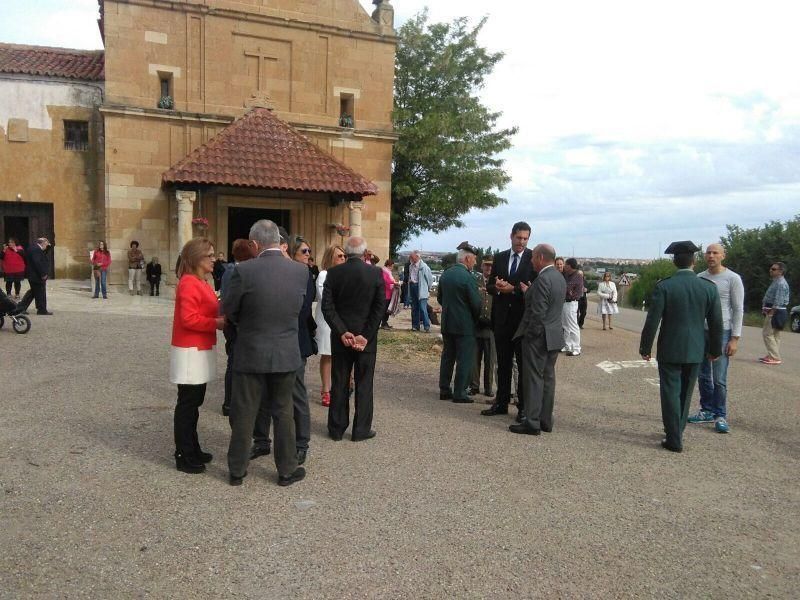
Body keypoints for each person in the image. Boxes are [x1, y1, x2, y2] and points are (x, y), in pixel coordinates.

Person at [223, 219, 308, 487]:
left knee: (245, 411)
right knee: (283, 413)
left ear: (254, 244)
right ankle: (286, 469)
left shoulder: (243, 271)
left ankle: (237, 470)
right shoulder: (299, 272)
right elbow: (297, 307)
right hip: (285, 352)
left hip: (250, 350)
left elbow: (230, 311)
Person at [639, 241, 722, 453]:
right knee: (686, 392)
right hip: (696, 349)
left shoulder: (664, 286)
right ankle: (678, 430)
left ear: (675, 262)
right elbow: (716, 323)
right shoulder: (708, 288)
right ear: (694, 261)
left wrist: (645, 347)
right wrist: (714, 350)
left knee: (669, 392)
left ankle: (673, 436)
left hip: (669, 348)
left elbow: (652, 321)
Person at [250, 235, 316, 466]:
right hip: (270, 341)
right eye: (304, 252)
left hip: (295, 341)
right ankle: (261, 440)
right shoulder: (272, 271)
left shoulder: (303, 275)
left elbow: (304, 309)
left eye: (309, 252)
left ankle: (301, 443)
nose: (308, 256)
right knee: (263, 393)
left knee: (296, 393)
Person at [321, 236, 385, 442]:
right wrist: (365, 335)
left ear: (346, 253)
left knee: (339, 381)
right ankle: (361, 429)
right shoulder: (375, 273)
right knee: (364, 383)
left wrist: (342, 331)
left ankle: (337, 428)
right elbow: (379, 308)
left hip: (342, 338)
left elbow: (327, 307)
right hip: (365, 339)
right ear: (365, 253)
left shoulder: (333, 273)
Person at [169, 237, 224, 474]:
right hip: (190, 350)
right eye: (209, 255)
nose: (214, 259)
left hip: (198, 348)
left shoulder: (200, 281)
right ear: (196, 258)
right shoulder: (189, 283)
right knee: (188, 404)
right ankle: (183, 453)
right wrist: (216, 322)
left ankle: (192, 447)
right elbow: (188, 318)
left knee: (194, 402)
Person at [509, 244, 566, 435]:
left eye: (533, 257)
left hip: (538, 338)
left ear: (541, 258)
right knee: (548, 378)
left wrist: (531, 336)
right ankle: (545, 420)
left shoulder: (543, 279)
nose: (531, 261)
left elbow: (538, 313)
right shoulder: (559, 278)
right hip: (554, 335)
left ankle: (532, 422)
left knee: (534, 379)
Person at [688, 243, 744, 433]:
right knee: (702, 374)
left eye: (715, 253)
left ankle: (720, 414)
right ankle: (706, 410)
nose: (711, 256)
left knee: (719, 377)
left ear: (723, 256)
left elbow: (738, 309)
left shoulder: (732, 279)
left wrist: (735, 338)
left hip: (722, 331)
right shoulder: (699, 278)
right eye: (708, 253)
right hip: (700, 331)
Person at [482, 221, 535, 419]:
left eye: (525, 239)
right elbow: (489, 286)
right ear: (511, 236)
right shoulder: (500, 257)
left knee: (522, 366)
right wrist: (497, 286)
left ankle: (522, 408)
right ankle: (501, 402)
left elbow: (534, 290)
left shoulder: (532, 259)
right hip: (502, 320)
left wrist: (512, 290)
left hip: (522, 322)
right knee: (502, 364)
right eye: (519, 237)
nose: (521, 242)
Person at [437, 243, 481, 403]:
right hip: (464, 325)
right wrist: (476, 318)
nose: (475, 263)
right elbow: (476, 303)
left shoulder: (446, 274)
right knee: (464, 358)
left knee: (447, 356)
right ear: (467, 258)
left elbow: (440, 298)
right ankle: (460, 392)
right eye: (474, 259)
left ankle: (444, 389)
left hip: (447, 323)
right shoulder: (468, 278)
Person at [219, 239, 256, 417]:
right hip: (236, 324)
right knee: (235, 362)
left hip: (230, 323)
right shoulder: (239, 271)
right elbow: (233, 301)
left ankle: (229, 402)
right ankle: (232, 402)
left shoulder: (228, 270)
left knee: (232, 362)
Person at [315, 244, 346, 407]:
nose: (342, 258)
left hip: (343, 320)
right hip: (327, 320)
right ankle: (326, 389)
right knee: (328, 355)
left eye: (343, 256)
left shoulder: (346, 274)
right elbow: (324, 297)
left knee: (341, 355)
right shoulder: (324, 274)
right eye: (339, 256)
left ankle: (340, 386)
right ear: (330, 258)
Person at [470, 259, 496, 400]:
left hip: (491, 327)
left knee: (490, 360)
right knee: (475, 358)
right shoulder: (475, 281)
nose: (488, 268)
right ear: (481, 266)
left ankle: (488, 387)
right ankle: (474, 386)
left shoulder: (497, 282)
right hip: (477, 324)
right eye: (486, 265)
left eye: (491, 265)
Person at [760, 262, 790, 366]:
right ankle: (772, 355)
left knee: (767, 333)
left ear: (780, 271)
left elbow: (779, 299)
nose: (771, 270)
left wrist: (771, 312)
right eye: (771, 268)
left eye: (773, 269)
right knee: (775, 334)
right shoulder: (776, 281)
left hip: (776, 312)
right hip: (777, 311)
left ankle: (775, 357)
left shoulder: (781, 283)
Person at [15, 237, 52, 315]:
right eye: (46, 243)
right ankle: (41, 310)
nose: (47, 245)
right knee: (39, 292)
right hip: (36, 275)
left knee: (34, 292)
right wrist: (43, 274)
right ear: (43, 243)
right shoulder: (36, 250)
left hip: (33, 274)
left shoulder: (33, 248)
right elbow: (37, 262)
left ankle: (21, 308)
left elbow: (43, 253)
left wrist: (49, 246)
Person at [561, 258, 584, 356]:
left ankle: (576, 348)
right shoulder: (567, 275)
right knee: (565, 326)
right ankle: (568, 346)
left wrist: (567, 289)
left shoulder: (577, 276)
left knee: (573, 326)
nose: (564, 266)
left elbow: (568, 288)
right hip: (565, 302)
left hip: (571, 303)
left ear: (570, 266)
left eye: (565, 264)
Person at [408, 250, 433, 332]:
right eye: (410, 257)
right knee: (414, 308)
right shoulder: (411, 266)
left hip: (421, 288)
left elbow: (430, 280)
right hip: (413, 286)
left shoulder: (424, 267)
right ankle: (415, 326)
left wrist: (427, 289)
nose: (410, 258)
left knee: (423, 308)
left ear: (417, 257)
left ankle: (426, 326)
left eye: (412, 257)